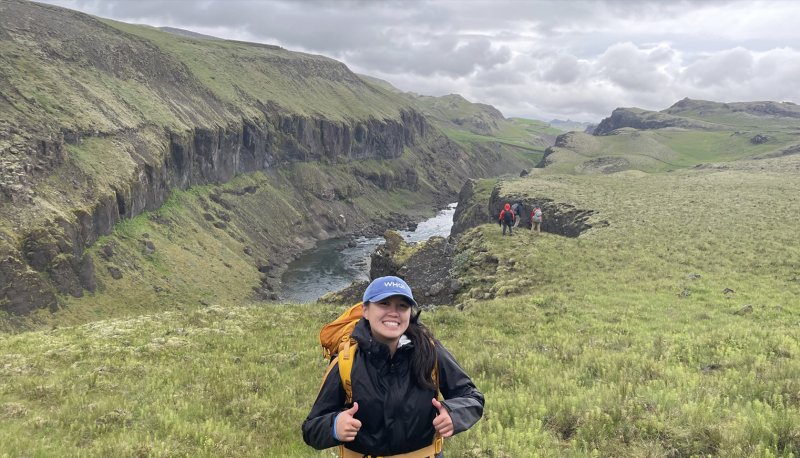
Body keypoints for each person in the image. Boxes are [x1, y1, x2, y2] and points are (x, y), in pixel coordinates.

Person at [302, 276, 484, 457]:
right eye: (384, 303)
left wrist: (454, 413)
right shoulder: (347, 361)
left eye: (402, 306)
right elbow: (311, 429)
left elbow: (472, 397)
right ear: (365, 310)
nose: (393, 312)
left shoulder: (430, 352)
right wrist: (334, 426)